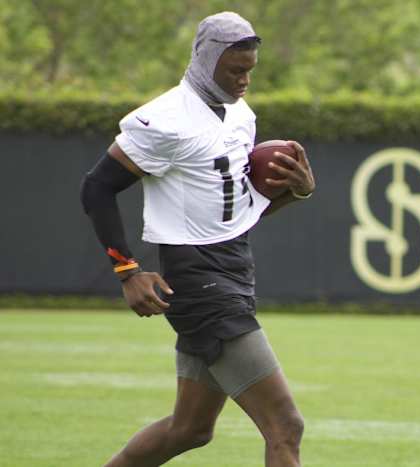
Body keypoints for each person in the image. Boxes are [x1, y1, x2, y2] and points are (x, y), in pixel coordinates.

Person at [80, 12, 315, 467]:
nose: (245, 79)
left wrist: (298, 192)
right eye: (235, 70)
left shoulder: (240, 115)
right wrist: (126, 269)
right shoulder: (165, 120)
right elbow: (96, 187)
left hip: (233, 270)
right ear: (207, 61)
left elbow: (238, 219)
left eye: (250, 70)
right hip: (199, 283)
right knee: (286, 426)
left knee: (189, 430)